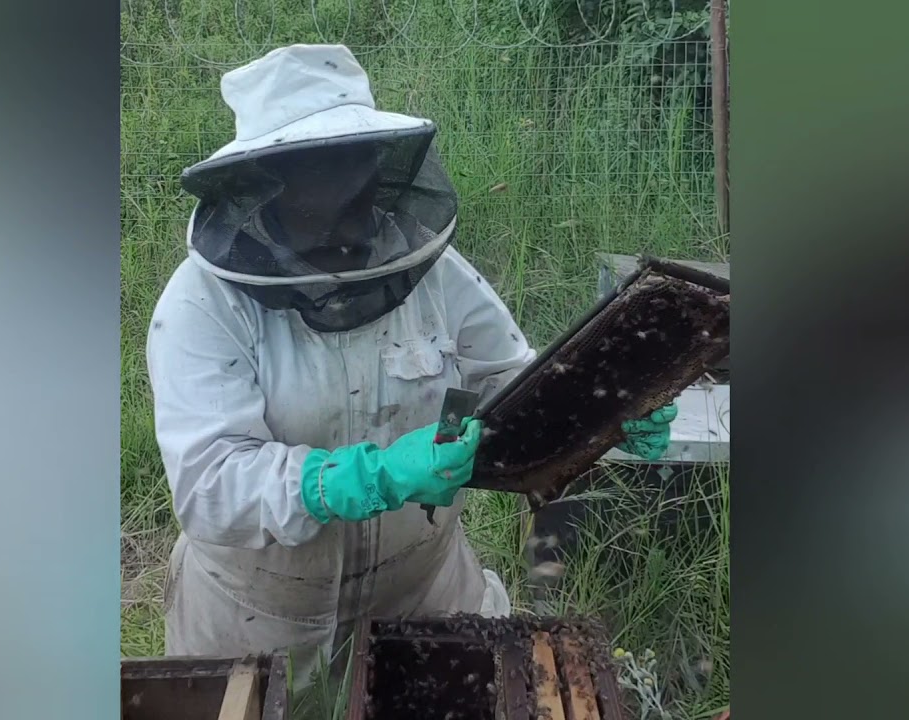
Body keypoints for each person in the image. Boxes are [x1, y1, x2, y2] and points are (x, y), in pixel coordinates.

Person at [145, 43, 677, 684]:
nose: (356, 182)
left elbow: (510, 376)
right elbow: (210, 489)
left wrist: (605, 407)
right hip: (260, 617)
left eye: (361, 157)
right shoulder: (202, 302)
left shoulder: (430, 272)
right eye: (329, 164)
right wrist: (368, 478)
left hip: (423, 591)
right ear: (270, 182)